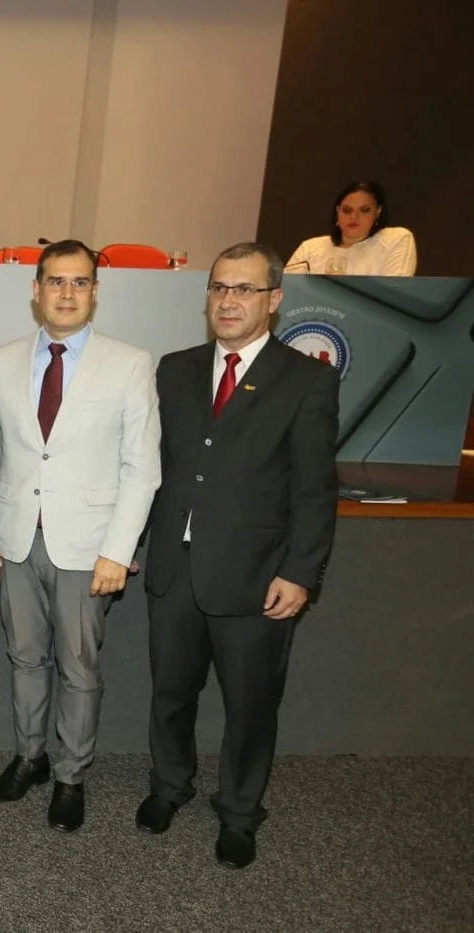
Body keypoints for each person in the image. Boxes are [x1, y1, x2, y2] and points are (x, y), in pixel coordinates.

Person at [137, 242, 339, 870]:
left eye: (245, 289)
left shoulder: (306, 378)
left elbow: (313, 487)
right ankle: (169, 786)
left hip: (257, 579)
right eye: (220, 287)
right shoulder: (174, 368)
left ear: (275, 300)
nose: (228, 300)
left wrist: (300, 572)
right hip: (174, 567)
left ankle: (241, 812)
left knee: (250, 705)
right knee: (171, 691)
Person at [0, 239, 161, 832]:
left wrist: (119, 550)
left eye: (79, 282)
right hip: (16, 538)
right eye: (55, 281)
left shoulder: (131, 364)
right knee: (25, 657)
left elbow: (142, 468)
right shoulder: (1, 359)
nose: (66, 292)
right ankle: (30, 757)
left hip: (89, 547)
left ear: (95, 292)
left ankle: (70, 775)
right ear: (35, 290)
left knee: (79, 666)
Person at [285, 181, 416, 276]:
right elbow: (287, 293)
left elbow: (395, 294)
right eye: (347, 210)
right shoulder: (310, 248)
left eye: (364, 210)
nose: (354, 217)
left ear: (378, 212)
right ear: (337, 211)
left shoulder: (395, 239)